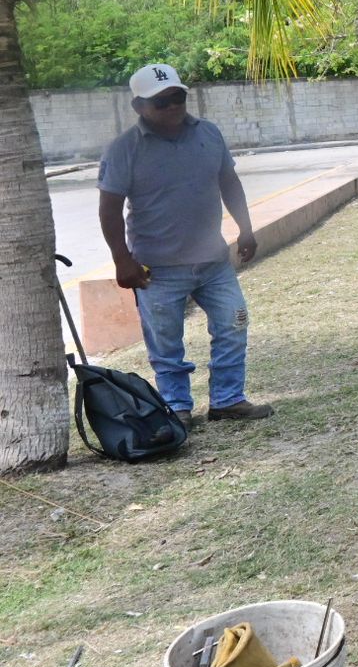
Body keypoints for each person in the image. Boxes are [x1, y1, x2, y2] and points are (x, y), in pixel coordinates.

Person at [98, 63, 273, 428]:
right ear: (139, 106)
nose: (173, 106)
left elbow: (229, 181)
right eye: (162, 102)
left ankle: (228, 400)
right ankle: (177, 406)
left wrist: (246, 228)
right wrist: (122, 260)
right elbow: (110, 208)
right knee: (166, 345)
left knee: (234, 323)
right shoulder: (124, 149)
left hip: (213, 262)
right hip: (157, 270)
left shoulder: (208, 133)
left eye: (178, 97)